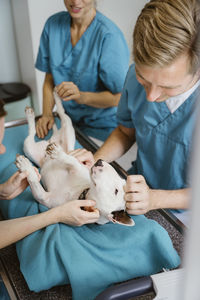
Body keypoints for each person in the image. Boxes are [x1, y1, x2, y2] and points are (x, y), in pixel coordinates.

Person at [71, 0, 200, 216]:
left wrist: (156, 198)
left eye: (168, 88)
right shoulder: (133, 76)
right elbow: (124, 132)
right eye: (144, 80)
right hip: (135, 191)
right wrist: (96, 161)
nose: (151, 96)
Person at [0, 99, 99, 250]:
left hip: (58, 156)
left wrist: (1, 191)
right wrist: (57, 215)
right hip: (54, 158)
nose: (3, 150)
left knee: (65, 122)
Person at [35, 0, 129, 140]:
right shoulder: (53, 25)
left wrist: (81, 97)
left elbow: (120, 98)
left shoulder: (109, 36)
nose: (75, 1)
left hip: (105, 128)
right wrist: (47, 114)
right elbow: (50, 78)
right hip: (70, 122)